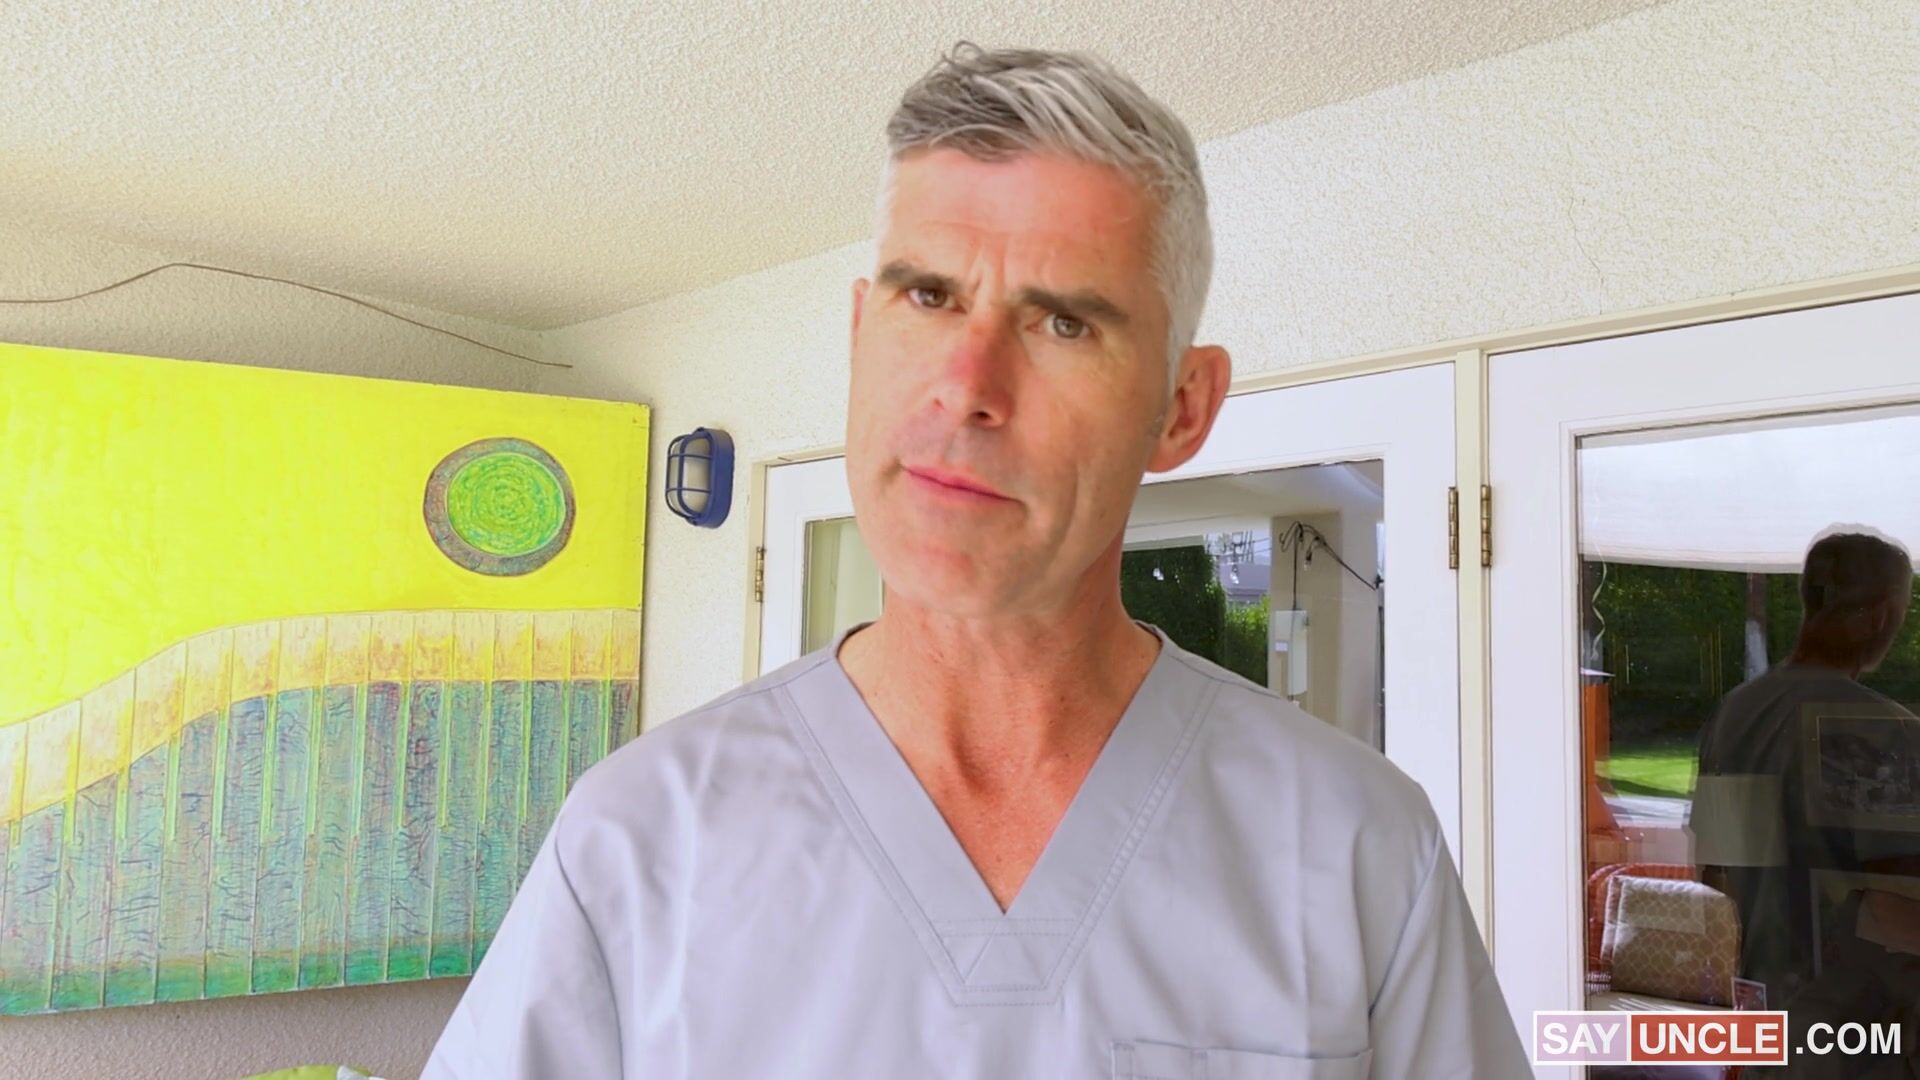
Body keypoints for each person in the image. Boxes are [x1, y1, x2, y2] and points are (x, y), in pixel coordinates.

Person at [423, 41, 1528, 1079]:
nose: (965, 386)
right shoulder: (638, 838)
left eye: (1063, 324)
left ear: (1182, 407)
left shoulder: (1354, 847)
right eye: (929, 296)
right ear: (860, 334)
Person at [1690, 529, 1920, 1077]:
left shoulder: (1733, 715)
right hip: (1865, 1036)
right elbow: (1901, 900)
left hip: (1768, 1017)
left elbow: (1716, 875)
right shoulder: (1888, 730)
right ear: (1881, 616)